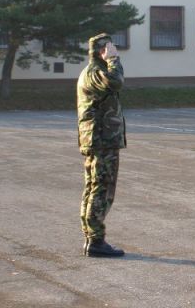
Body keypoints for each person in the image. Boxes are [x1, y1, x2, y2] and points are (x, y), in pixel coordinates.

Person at [77, 33, 126, 257]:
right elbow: (116, 82)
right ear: (102, 51)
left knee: (95, 186)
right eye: (110, 47)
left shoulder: (93, 72)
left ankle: (92, 238)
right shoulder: (96, 72)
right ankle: (95, 241)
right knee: (101, 187)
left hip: (99, 138)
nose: (114, 50)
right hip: (101, 139)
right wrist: (113, 59)